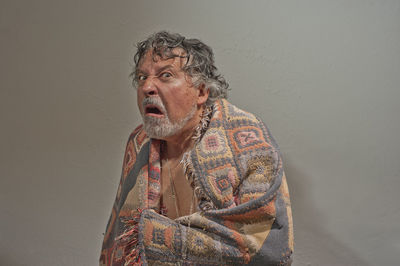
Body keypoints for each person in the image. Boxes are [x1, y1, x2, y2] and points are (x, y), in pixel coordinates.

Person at [100, 31, 293, 265]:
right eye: (141, 77)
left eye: (166, 75)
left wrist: (158, 236)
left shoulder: (247, 140)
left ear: (201, 91)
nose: (147, 87)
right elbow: (120, 238)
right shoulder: (139, 143)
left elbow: (264, 244)